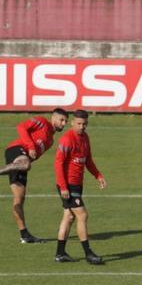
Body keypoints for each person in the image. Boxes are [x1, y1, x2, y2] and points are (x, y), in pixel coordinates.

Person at [0, 108, 69, 243]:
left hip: (22, 161)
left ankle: (24, 235)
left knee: (19, 200)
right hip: (16, 149)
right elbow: (21, 127)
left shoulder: (50, 141)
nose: (63, 124)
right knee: (27, 165)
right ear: (53, 118)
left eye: (65, 121)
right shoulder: (41, 121)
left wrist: (30, 153)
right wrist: (30, 146)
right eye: (61, 120)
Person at [53, 110, 105, 265]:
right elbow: (58, 163)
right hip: (68, 185)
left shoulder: (85, 138)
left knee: (68, 217)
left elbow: (87, 160)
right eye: (79, 124)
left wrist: (98, 175)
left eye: (85, 124)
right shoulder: (67, 139)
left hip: (77, 184)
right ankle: (88, 253)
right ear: (72, 123)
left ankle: (60, 254)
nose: (82, 127)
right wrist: (63, 187)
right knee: (82, 215)